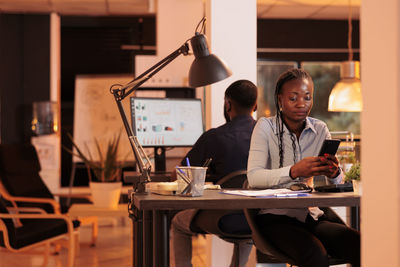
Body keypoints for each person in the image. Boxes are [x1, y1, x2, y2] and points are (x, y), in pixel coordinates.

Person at [247, 68, 360, 267]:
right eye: (293, 98)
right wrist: (294, 171)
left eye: (307, 97)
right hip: (274, 218)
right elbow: (254, 177)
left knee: (358, 244)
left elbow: (336, 182)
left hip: (310, 215)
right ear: (280, 100)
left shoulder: (320, 129)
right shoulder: (265, 127)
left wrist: (334, 173)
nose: (302, 104)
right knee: (315, 254)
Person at [171, 79, 258, 267]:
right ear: (256, 105)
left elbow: (182, 175)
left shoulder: (214, 137)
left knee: (179, 223)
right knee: (249, 209)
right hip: (259, 221)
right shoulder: (268, 136)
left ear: (228, 104)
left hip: (223, 219)